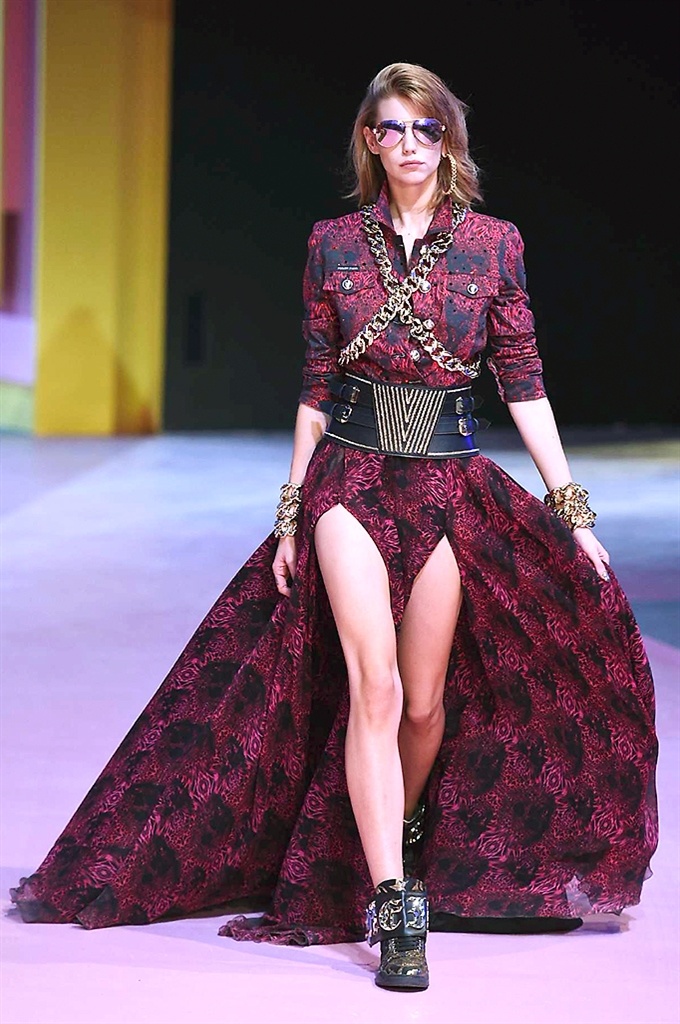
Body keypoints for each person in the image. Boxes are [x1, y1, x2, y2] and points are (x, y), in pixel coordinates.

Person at [10, 62, 658, 993]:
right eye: (391, 128)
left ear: (449, 139)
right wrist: (290, 514)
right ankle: (396, 906)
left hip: (450, 485)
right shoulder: (333, 244)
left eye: (427, 128)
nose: (410, 144)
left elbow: (523, 381)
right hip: (349, 482)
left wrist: (572, 509)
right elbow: (316, 389)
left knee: (425, 705)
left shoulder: (494, 245)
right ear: (369, 139)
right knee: (376, 687)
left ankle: (389, 836)